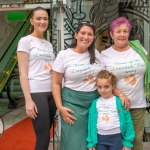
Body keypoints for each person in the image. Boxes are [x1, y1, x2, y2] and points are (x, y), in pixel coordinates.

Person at [52, 21, 105, 150]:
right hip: (72, 104)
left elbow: (105, 78)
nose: (86, 37)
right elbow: (56, 83)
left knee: (93, 141)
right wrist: (60, 108)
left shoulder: (97, 54)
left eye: (90, 34)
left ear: (93, 37)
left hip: (94, 104)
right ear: (76, 35)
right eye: (83, 33)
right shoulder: (64, 55)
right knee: (73, 143)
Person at [100, 16, 150, 150]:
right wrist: (120, 94)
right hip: (114, 105)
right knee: (117, 142)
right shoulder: (104, 55)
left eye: (125, 31)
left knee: (136, 141)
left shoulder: (139, 50)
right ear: (111, 34)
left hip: (137, 104)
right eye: (118, 31)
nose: (122, 34)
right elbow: (103, 81)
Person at [17, 7, 56, 150]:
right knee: (43, 137)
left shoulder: (49, 44)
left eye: (45, 19)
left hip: (51, 92)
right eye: (38, 18)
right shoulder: (25, 41)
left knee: (48, 134)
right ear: (32, 21)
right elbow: (22, 72)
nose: (42, 21)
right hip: (36, 91)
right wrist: (28, 100)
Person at [87, 70, 135, 150]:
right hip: (100, 139)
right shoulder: (95, 103)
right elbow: (90, 123)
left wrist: (127, 143)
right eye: (99, 87)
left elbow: (128, 121)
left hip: (116, 138)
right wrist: (91, 142)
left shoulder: (119, 102)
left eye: (106, 86)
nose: (102, 90)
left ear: (113, 86)